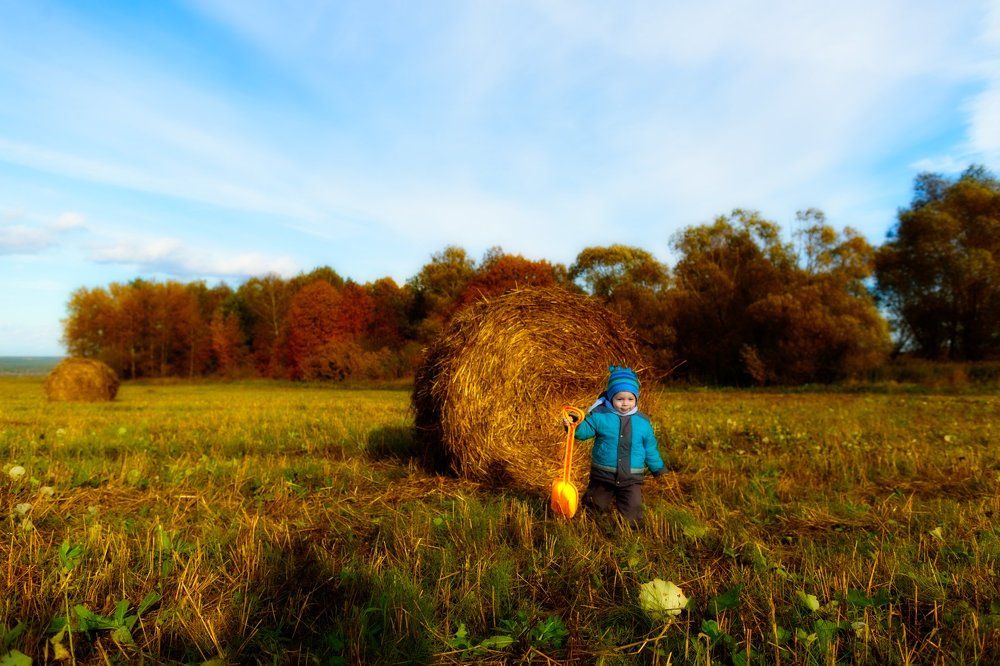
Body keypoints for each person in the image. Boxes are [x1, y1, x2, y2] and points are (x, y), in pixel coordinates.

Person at [571, 365, 664, 524]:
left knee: (633, 510)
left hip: (631, 477)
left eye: (630, 399)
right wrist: (574, 425)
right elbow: (583, 433)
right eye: (619, 399)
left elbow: (650, 448)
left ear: (636, 399)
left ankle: (631, 531)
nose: (625, 403)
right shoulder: (600, 416)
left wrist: (657, 468)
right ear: (610, 397)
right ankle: (589, 526)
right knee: (595, 504)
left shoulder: (643, 422)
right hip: (603, 474)